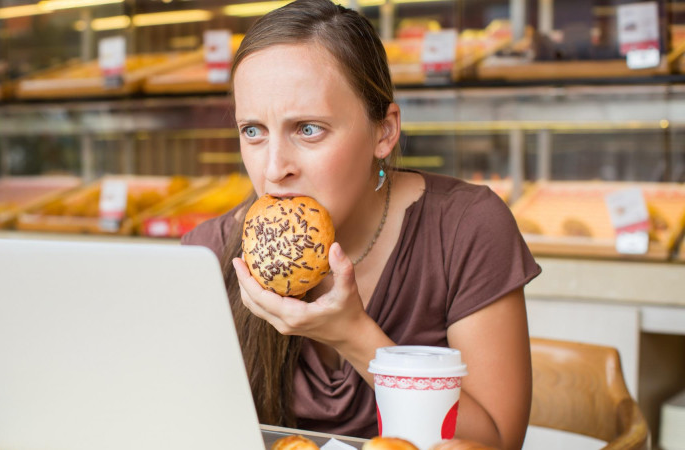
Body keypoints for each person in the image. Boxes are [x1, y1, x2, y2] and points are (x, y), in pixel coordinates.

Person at [182, 1, 541, 448]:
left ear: (384, 133)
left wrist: (353, 334)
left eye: (308, 129)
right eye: (253, 130)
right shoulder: (207, 254)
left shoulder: (466, 228)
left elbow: (498, 443)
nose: (274, 169)